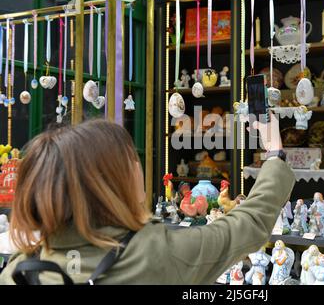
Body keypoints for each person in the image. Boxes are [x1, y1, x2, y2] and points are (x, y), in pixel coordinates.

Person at [0, 114, 295, 284]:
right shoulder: (154, 255)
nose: (139, 166)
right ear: (112, 182)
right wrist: (273, 154)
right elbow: (250, 223)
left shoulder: (19, 270)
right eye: (132, 159)